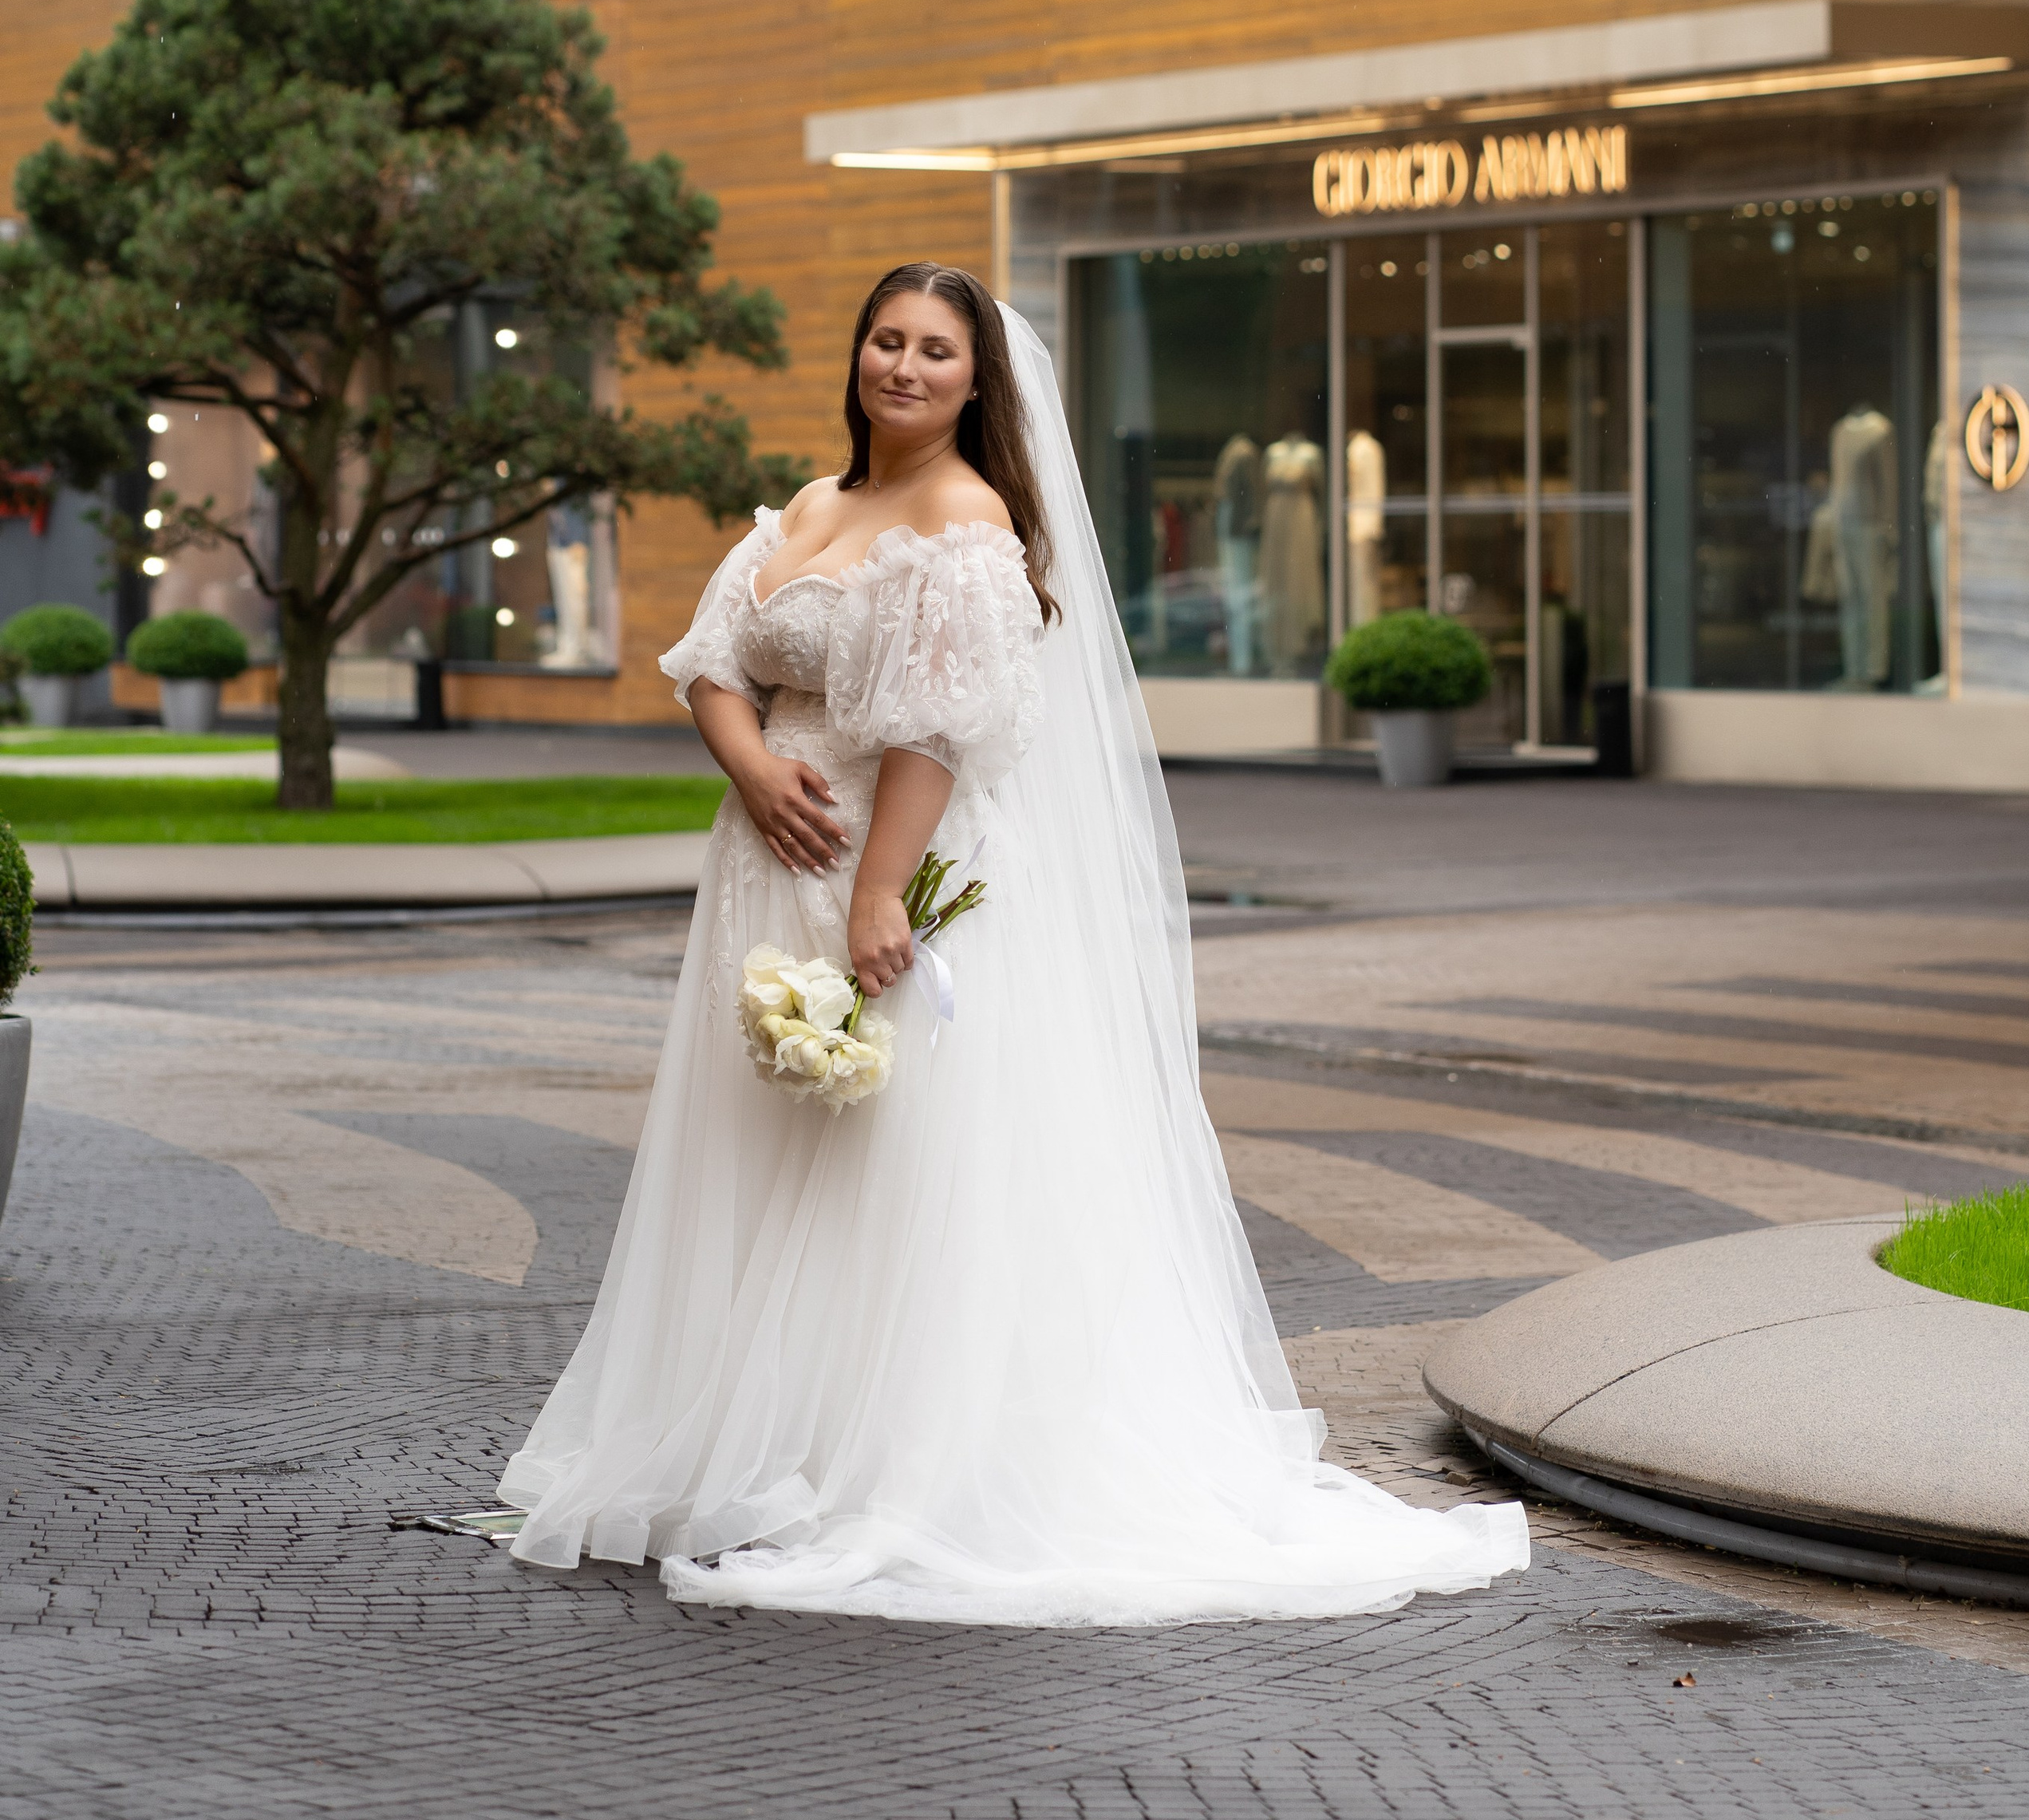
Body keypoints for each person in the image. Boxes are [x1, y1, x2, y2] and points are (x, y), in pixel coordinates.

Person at [499, 262, 1528, 1624]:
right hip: (764, 861)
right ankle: (764, 1443)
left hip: (887, 860)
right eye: (886, 340)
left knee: (895, 1155)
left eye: (936, 350)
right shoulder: (815, 504)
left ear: (978, 380)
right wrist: (749, 768)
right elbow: (714, 666)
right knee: (767, 1155)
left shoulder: (967, 521)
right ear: (856, 352)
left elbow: (937, 728)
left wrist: (882, 892)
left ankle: (886, 1459)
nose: (904, 368)